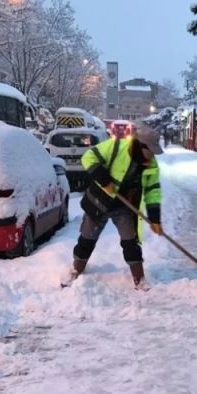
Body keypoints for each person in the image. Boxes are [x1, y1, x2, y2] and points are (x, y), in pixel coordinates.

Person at [67, 122, 162, 289]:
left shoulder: (151, 166)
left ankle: (139, 279)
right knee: (87, 237)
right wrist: (104, 180)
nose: (152, 156)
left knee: (130, 241)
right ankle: (76, 269)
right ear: (141, 146)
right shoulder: (116, 146)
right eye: (151, 151)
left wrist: (155, 218)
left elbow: (152, 191)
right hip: (99, 202)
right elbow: (88, 157)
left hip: (123, 207)